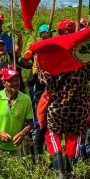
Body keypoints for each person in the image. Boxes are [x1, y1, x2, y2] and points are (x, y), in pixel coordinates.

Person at [39, 61, 90, 179]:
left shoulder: (55, 59)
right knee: (74, 137)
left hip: (58, 107)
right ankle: (69, 173)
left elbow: (48, 83)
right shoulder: (85, 58)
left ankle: (60, 173)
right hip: (79, 107)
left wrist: (43, 71)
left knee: (52, 135)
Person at [20, 23, 54, 160]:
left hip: (50, 83)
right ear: (42, 34)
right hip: (37, 84)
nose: (50, 34)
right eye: (48, 32)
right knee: (37, 113)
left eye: (51, 32)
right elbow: (23, 60)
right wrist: (33, 67)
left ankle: (47, 143)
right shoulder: (35, 47)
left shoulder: (52, 46)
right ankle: (36, 146)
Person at [0, 68, 34, 156]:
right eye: (11, 81)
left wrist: (22, 134)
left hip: (15, 148)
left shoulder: (26, 99)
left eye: (17, 80)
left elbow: (30, 123)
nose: (15, 83)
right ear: (4, 83)